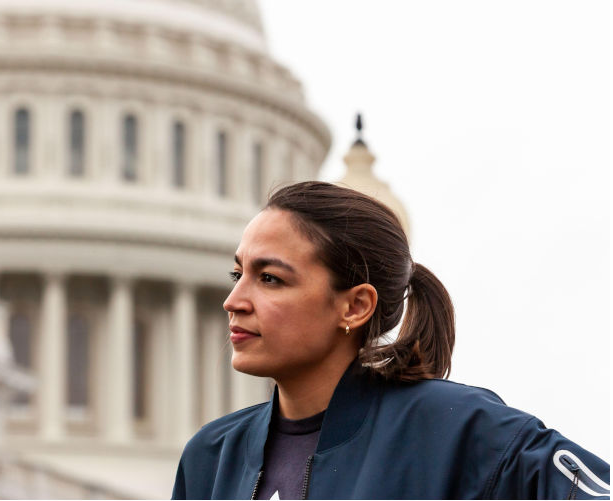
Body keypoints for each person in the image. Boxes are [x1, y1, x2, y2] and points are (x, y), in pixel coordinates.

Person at [171, 181, 609, 500]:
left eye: (270, 279)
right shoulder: (210, 458)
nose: (233, 301)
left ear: (355, 306)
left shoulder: (460, 431)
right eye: (237, 274)